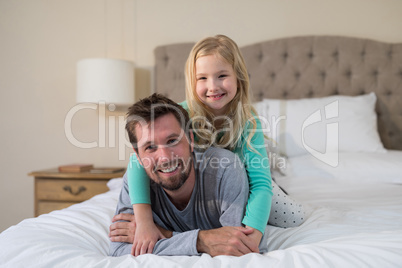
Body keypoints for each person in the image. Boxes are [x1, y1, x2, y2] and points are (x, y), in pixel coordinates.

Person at [128, 35, 306, 256]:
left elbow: (259, 183)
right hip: (206, 185)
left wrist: (254, 233)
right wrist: (144, 220)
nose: (213, 87)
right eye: (202, 78)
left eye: (222, 76)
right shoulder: (181, 115)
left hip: (247, 179)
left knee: (293, 217)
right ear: (192, 82)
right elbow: (137, 163)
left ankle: (272, 164)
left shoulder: (248, 120)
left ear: (238, 77)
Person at [109, 93, 268, 256]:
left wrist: (164, 234)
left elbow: (236, 247)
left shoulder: (226, 169)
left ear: (191, 139)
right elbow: (119, 250)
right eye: (150, 147)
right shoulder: (136, 181)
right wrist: (201, 241)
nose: (164, 157)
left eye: (172, 141)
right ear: (138, 157)